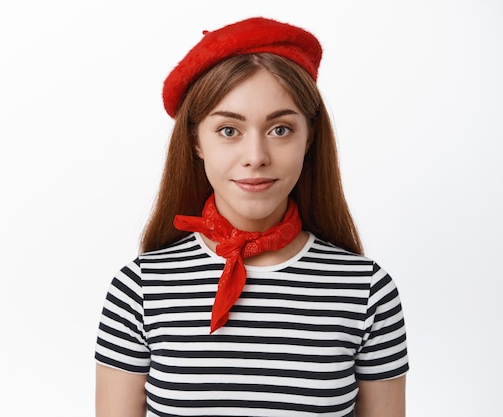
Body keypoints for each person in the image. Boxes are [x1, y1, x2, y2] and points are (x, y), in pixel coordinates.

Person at [95, 16, 409, 417]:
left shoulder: (366, 291)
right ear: (195, 141)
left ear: (309, 137)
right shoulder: (140, 289)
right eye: (229, 130)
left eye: (280, 129)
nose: (256, 157)